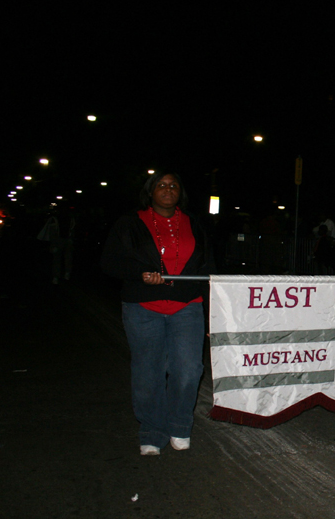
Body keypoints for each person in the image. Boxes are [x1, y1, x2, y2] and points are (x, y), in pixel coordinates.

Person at [100, 172, 215, 456]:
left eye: (173, 185)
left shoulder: (194, 223)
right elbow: (109, 262)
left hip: (187, 306)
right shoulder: (130, 222)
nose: (168, 189)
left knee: (188, 370)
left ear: (180, 192)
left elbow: (207, 269)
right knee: (148, 371)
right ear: (150, 192)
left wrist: (213, 313)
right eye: (161, 185)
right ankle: (152, 430)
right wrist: (140, 273)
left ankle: (180, 425)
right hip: (143, 308)